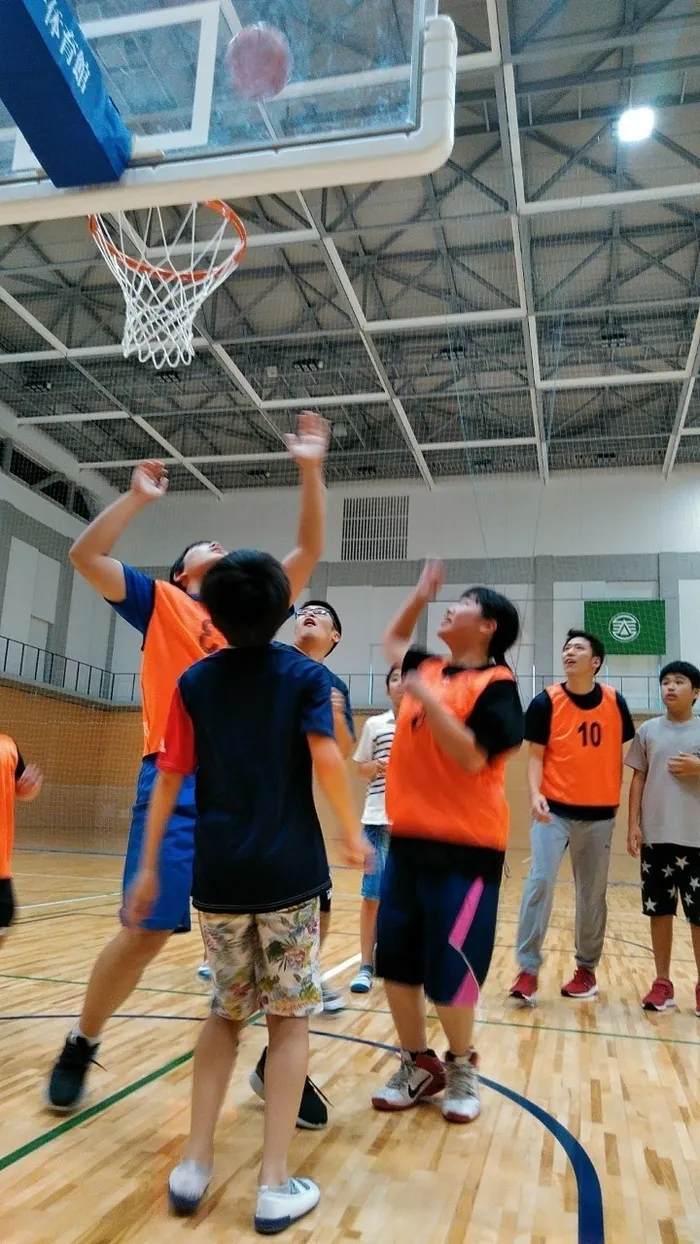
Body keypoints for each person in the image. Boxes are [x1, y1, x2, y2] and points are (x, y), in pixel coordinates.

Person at [45, 412, 330, 1114]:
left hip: (259, 788)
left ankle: (277, 1062)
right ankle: (82, 1039)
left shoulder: (254, 602)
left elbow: (310, 546)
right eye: (209, 545)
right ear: (181, 574)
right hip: (177, 777)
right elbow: (85, 556)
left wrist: (311, 468)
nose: (223, 548)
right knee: (145, 929)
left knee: (290, 932)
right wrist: (136, 499)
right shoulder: (162, 603)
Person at [124, 550, 367, 1233]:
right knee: (288, 1022)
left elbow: (169, 777)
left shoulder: (194, 680)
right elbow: (324, 757)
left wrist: (147, 867)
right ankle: (273, 1182)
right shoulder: (305, 676)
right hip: (289, 875)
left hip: (219, 877)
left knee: (225, 1015)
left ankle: (194, 1163)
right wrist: (352, 833)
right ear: (285, 611)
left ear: (215, 614)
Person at [371, 562, 524, 1124]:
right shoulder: (424, 665)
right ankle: (418, 1064)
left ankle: (462, 1063)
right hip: (407, 844)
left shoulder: (499, 687)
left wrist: (426, 699)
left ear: (487, 626)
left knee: (452, 970)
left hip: (467, 854)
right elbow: (391, 641)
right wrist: (416, 595)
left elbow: (469, 757)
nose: (450, 608)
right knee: (398, 967)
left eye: (461, 602)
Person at [248, 598, 353, 1129]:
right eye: (303, 610)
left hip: (292, 832)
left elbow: (343, 753)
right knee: (236, 992)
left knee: (310, 936)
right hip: (235, 831)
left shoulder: (331, 685)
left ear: (335, 637)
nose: (309, 614)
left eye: (322, 614)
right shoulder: (258, 658)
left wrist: (334, 720)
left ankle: (275, 1064)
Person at [510, 629, 635, 1006]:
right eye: (566, 648)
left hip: (599, 816)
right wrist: (534, 794)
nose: (569, 652)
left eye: (578, 648)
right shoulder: (545, 701)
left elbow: (620, 754)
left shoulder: (615, 702)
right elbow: (534, 757)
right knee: (540, 883)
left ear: (595, 661)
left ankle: (586, 970)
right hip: (554, 811)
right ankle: (527, 971)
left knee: (591, 895)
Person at [626, 661, 700, 1016]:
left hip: (696, 840)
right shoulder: (648, 731)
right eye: (665, 681)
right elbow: (638, 779)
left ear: (696, 692)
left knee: (699, 917)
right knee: (660, 912)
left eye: (679, 681)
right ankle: (662, 981)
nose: (670, 687)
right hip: (657, 837)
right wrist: (633, 825)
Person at [349, 665, 403, 994]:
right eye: (395, 677)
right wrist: (376, 767)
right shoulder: (375, 724)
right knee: (373, 896)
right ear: (387, 689)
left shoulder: (428, 726)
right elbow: (359, 768)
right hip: (377, 819)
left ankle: (400, 961)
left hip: (415, 825)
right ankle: (366, 965)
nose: (402, 682)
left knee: (412, 899)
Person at [0, 737, 43, 943]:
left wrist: (28, 789)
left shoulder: (8, 746)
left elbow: (20, 787)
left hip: (1, 866)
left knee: (3, 920)